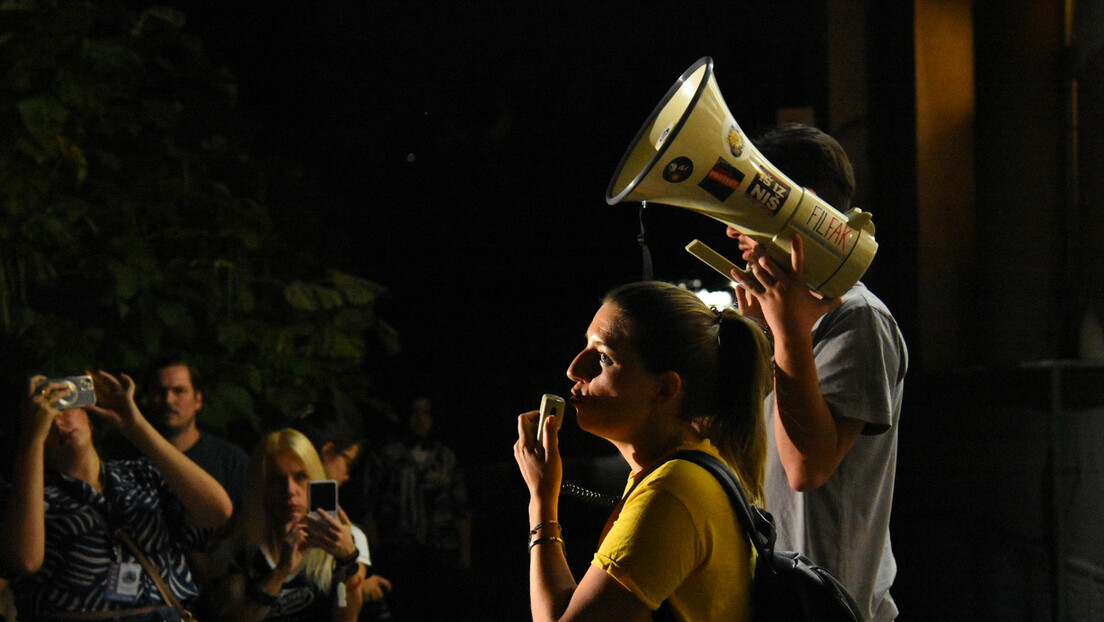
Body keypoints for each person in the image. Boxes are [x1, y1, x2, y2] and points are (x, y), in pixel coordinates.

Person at [725, 123, 908, 621]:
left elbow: (807, 467)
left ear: (803, 213)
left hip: (830, 605)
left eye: (749, 208)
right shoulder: (782, 316)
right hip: (781, 596)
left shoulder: (858, 316)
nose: (732, 229)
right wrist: (755, 340)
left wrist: (786, 335)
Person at [514, 280, 773, 621]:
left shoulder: (672, 492)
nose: (575, 369)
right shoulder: (685, 469)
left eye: (604, 358)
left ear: (665, 388)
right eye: (586, 347)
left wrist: (542, 501)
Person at [0, 370, 234, 620]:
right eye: (45, 420)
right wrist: (32, 439)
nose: (57, 424)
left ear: (86, 414)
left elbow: (218, 511)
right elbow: (24, 560)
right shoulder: (26, 499)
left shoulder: (141, 474)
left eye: (62, 408)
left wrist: (136, 427)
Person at [204, 428, 366, 622]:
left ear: (314, 479)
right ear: (262, 486)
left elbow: (347, 617)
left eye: (300, 477)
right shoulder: (239, 548)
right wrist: (279, 574)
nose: (290, 490)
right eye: (277, 480)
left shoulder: (338, 540)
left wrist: (348, 560)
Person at [357, 395, 472, 619]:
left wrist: (465, 556)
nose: (420, 419)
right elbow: (367, 506)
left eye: (426, 413)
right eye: (414, 413)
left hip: (440, 552)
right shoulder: (385, 455)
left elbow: (462, 509)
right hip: (399, 553)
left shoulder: (445, 457)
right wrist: (374, 552)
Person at [289, 402, 393, 617]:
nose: (347, 476)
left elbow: (346, 615)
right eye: (348, 461)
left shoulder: (347, 536)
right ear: (327, 452)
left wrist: (348, 560)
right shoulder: (258, 523)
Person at [148, 357, 249, 508]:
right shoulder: (131, 459)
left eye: (179, 391)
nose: (168, 400)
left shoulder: (230, 461)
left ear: (198, 399)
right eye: (160, 392)